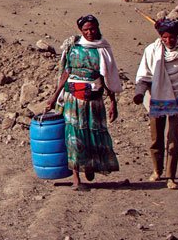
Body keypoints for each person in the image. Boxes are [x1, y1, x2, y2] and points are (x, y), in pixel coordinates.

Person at [44, 14, 121, 191]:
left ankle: (90, 165)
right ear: (80, 30)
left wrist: (113, 103)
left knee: (94, 135)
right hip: (73, 100)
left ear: (98, 28)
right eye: (85, 30)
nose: (89, 32)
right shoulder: (73, 47)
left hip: (94, 101)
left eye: (92, 29)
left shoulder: (102, 48)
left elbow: (107, 77)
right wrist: (54, 96)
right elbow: (66, 73)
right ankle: (76, 177)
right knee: (73, 137)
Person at [133, 19, 178, 190]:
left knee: (173, 138)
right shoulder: (151, 50)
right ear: (160, 36)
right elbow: (144, 75)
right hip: (155, 99)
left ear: (177, 36)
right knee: (155, 138)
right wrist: (139, 93)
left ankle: (170, 176)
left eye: (171, 37)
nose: (168, 41)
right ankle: (157, 170)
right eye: (164, 37)